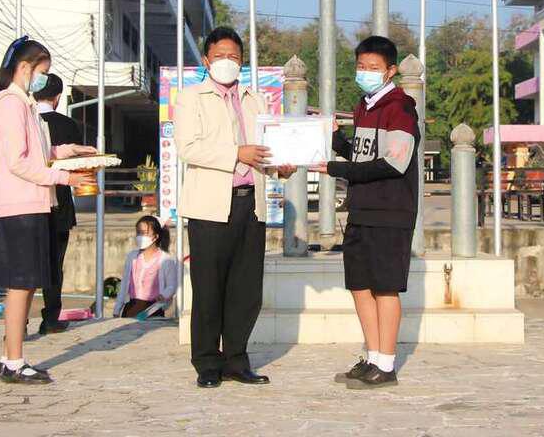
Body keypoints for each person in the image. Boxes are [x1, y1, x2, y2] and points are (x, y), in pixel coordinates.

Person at [174, 26, 295, 389]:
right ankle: (207, 363)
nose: (227, 62)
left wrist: (279, 166)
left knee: (246, 289)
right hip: (210, 207)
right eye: (220, 56)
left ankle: (237, 360)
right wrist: (236, 153)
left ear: (242, 61)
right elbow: (188, 148)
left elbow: (264, 151)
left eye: (234, 57)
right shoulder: (191, 98)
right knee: (209, 287)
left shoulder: (255, 100)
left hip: (250, 204)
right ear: (206, 60)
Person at [0, 36, 97, 385]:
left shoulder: (25, 104)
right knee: (20, 285)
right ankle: (13, 361)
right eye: (42, 72)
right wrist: (65, 178)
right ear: (25, 68)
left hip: (33, 202)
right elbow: (18, 162)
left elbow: (39, 152)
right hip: (20, 205)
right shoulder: (10, 104)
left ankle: (11, 358)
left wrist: (69, 151)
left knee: (28, 283)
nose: (43, 79)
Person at [312, 35, 420, 390]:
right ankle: (372, 357)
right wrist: (336, 141)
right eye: (361, 66)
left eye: (374, 67)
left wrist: (337, 169)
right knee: (360, 286)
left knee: (385, 289)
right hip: (360, 210)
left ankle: (386, 364)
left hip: (390, 212)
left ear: (391, 71)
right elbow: (362, 156)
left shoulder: (400, 108)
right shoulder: (364, 106)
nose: (366, 72)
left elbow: (393, 163)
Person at [33, 73, 82, 335]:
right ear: (58, 97)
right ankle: (51, 317)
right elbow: (78, 165)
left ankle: (17, 323)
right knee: (54, 262)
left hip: (29, 200)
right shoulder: (68, 125)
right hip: (60, 199)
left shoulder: (27, 121)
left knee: (27, 263)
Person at [113, 215, 177, 318]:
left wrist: (164, 295)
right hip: (131, 309)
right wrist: (117, 309)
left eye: (144, 233)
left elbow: (172, 285)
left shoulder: (166, 260)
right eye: (138, 232)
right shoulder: (132, 256)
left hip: (153, 310)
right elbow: (124, 284)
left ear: (155, 237)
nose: (140, 236)